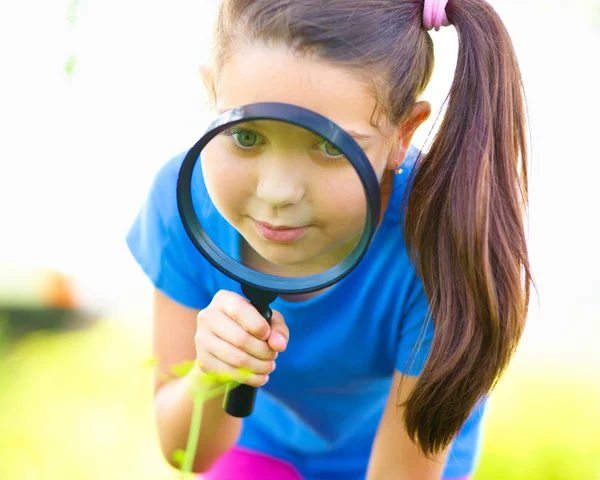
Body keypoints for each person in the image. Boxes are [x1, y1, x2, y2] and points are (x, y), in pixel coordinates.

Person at [126, 0, 532, 478]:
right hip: (263, 446)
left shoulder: (443, 239)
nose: (277, 193)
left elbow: (400, 471)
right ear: (211, 92)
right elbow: (185, 455)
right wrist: (213, 374)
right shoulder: (179, 206)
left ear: (402, 135)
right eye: (248, 137)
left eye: (328, 146)